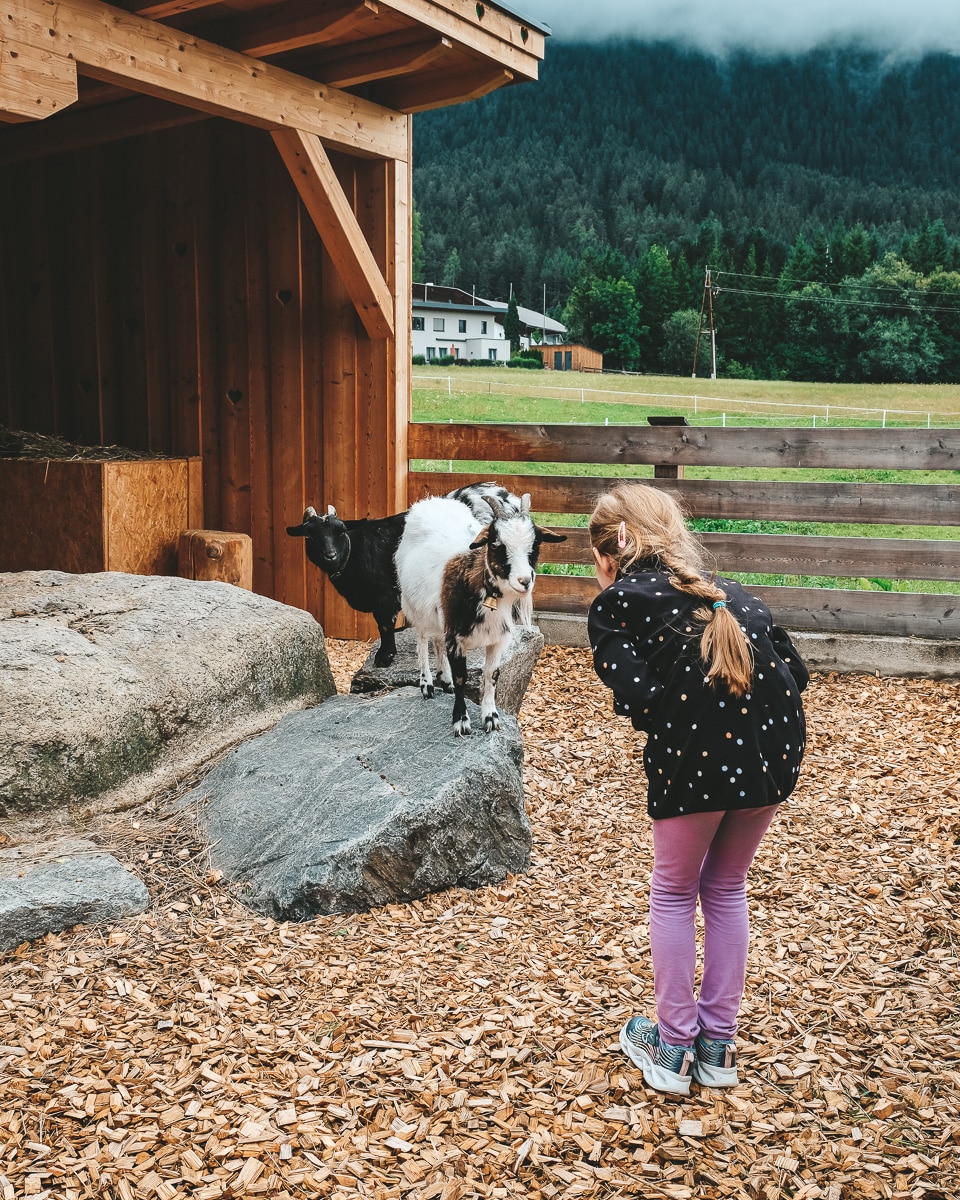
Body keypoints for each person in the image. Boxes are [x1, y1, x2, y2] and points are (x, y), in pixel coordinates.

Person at [587, 482, 808, 1096]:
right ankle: (718, 1048)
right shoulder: (734, 597)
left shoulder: (619, 604)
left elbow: (636, 694)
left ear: (612, 552)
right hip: (772, 755)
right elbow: (797, 673)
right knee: (726, 884)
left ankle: (673, 1048)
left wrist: (677, 716)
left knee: (675, 891)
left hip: (699, 761)